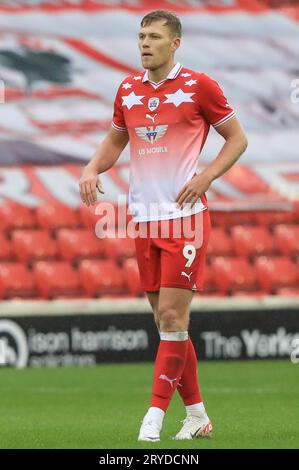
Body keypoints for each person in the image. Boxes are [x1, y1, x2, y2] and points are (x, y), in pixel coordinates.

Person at [79, 10, 248, 442]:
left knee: (172, 317)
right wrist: (93, 166)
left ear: (175, 43)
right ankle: (197, 415)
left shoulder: (199, 86)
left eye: (154, 36)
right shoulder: (128, 89)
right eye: (140, 36)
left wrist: (207, 176)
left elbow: (237, 138)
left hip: (184, 221)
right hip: (143, 220)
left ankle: (153, 417)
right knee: (169, 325)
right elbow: (117, 138)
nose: (144, 43)